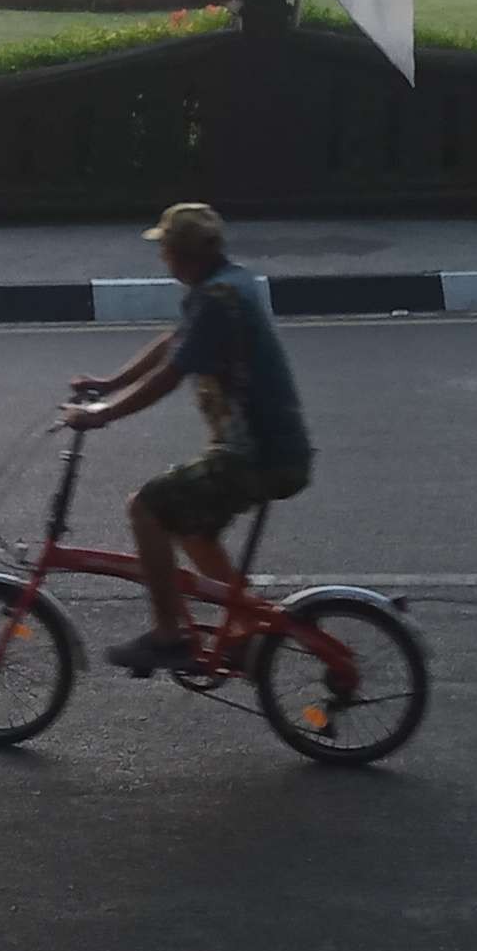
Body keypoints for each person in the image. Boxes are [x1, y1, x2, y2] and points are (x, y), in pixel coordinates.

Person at [63, 202, 312, 676]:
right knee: (191, 526)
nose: (163, 262)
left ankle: (169, 634)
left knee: (147, 507)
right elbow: (173, 343)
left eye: (167, 252)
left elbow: (171, 374)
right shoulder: (224, 287)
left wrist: (102, 416)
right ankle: (244, 623)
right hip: (267, 451)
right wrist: (107, 385)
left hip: (256, 456)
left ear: (185, 255)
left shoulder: (218, 300)